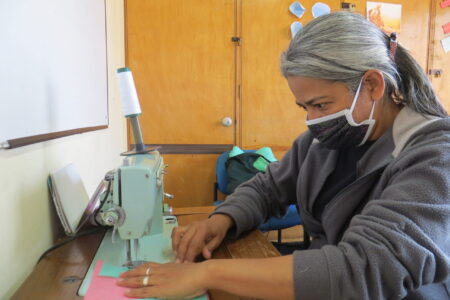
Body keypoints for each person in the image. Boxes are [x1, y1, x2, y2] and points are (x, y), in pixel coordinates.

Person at [117, 12, 450, 299]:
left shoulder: (435, 156)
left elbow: (366, 269)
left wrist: (207, 274)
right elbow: (266, 188)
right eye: (303, 107)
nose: (311, 120)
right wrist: (221, 220)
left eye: (321, 105)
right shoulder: (322, 142)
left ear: (374, 85)